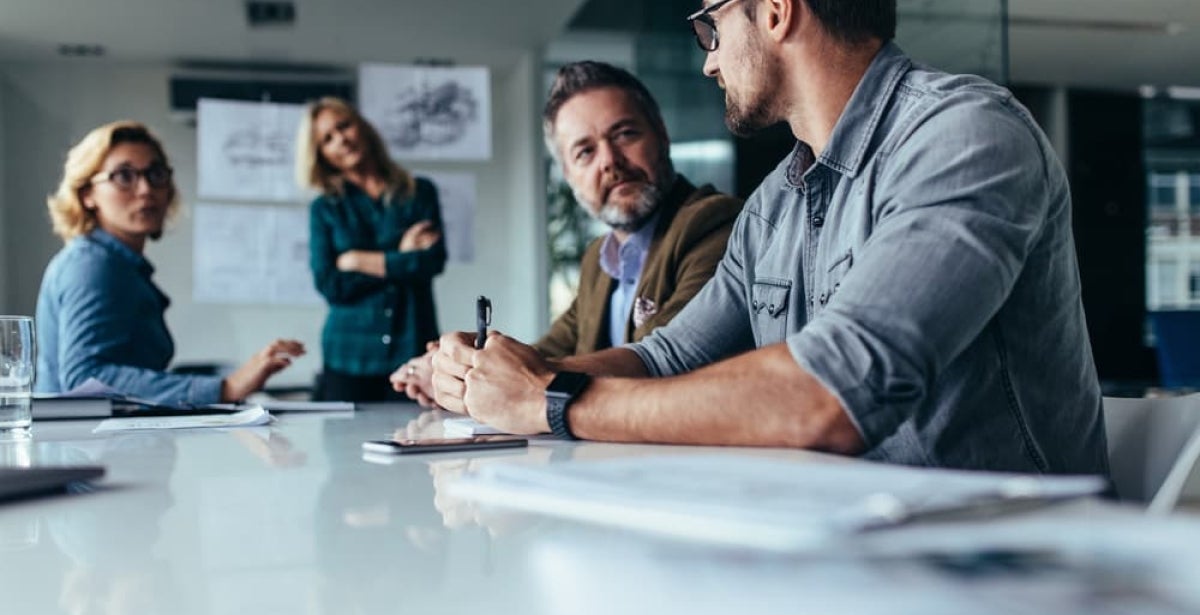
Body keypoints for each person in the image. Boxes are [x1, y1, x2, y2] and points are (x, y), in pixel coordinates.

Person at [429, 0, 1109, 475]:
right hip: (847, 543)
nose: (708, 62)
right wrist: (501, 376)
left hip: (1004, 568)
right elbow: (666, 357)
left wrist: (553, 401)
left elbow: (832, 394)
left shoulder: (965, 134)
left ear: (777, 10)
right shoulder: (772, 205)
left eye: (711, 26)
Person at [391, 62, 742, 407]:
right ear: (568, 174)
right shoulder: (598, 258)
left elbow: (668, 359)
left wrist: (488, 377)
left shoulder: (712, 224)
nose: (609, 161)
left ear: (662, 133)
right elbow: (549, 350)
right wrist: (457, 365)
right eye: (585, 151)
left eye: (625, 134)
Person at [36, 121, 304, 405]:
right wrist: (225, 388)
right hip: (80, 447)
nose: (146, 189)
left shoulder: (121, 266)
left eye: (156, 174)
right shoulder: (93, 266)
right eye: (124, 176)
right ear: (87, 193)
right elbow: (84, 377)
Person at [297, 97, 447, 402]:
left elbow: (432, 261)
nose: (341, 139)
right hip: (348, 357)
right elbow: (330, 284)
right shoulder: (325, 209)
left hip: (412, 348)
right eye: (327, 138)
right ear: (321, 154)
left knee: (418, 440)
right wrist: (401, 256)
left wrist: (356, 260)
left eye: (344, 126)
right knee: (341, 449)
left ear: (362, 127)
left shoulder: (419, 193)